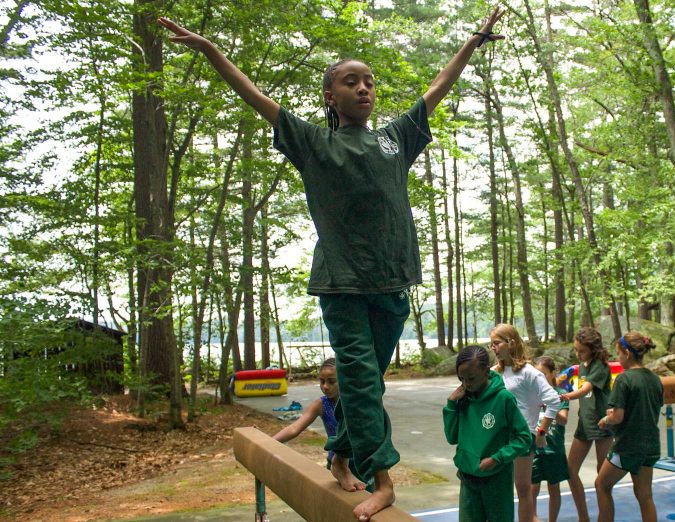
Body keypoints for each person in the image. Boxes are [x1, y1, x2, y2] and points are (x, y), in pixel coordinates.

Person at [157, 9, 506, 520]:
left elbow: (438, 86)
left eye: (369, 81)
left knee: (370, 384)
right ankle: (382, 478)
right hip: (342, 285)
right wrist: (211, 50)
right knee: (361, 382)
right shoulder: (315, 143)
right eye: (351, 81)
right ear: (330, 96)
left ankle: (340, 452)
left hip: (393, 283)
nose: (364, 88)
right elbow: (254, 96)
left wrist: (474, 41)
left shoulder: (395, 138)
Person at [444, 345, 532, 522]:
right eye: (462, 378)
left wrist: (497, 458)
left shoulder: (503, 398)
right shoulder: (463, 398)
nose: (467, 384)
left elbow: (524, 438)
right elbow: (452, 438)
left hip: (496, 480)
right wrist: (451, 406)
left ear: (485, 371)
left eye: (471, 378)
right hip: (468, 478)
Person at [489, 323, 561, 522]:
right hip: (498, 436)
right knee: (499, 487)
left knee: (522, 488)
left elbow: (553, 400)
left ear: (511, 343)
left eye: (496, 343)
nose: (493, 348)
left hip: (522, 436)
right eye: (491, 344)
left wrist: (541, 431)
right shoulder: (495, 372)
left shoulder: (529, 372)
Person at [594, 332, 662, 522]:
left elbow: (617, 416)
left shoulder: (624, 379)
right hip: (650, 445)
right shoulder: (654, 379)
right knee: (645, 495)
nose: (617, 358)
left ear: (627, 353)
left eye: (618, 354)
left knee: (602, 485)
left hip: (628, 446)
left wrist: (605, 420)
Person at [558, 326, 613, 522]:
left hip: (602, 425)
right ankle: (584, 517)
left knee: (602, 477)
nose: (578, 353)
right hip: (585, 424)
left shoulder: (600, 366)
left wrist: (564, 396)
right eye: (576, 350)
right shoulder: (582, 366)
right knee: (570, 469)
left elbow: (586, 389)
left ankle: (604, 516)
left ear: (592, 349)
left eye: (581, 350)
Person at [272, 358, 339, 467]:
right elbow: (294, 428)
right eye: (322, 381)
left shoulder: (354, 403)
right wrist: (268, 443)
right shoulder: (321, 404)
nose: (325, 386)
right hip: (335, 465)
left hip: (362, 467)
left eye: (331, 381)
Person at [530, 356, 570, 522]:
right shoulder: (531, 394)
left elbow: (563, 419)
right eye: (537, 375)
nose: (540, 379)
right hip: (534, 449)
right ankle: (532, 517)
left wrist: (550, 405)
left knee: (554, 487)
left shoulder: (560, 394)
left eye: (544, 374)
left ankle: (552, 519)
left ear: (553, 373)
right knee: (532, 487)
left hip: (554, 449)